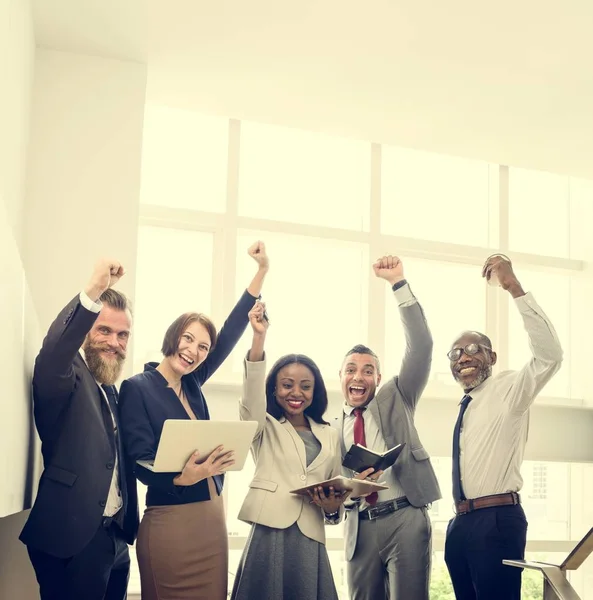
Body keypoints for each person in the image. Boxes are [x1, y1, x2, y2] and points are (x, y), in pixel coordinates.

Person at [118, 241, 269, 600]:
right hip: (171, 524)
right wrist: (183, 477)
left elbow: (231, 332)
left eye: (203, 346)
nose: (193, 350)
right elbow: (139, 460)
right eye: (188, 338)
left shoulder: (193, 384)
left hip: (211, 525)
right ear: (173, 336)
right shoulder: (138, 388)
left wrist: (261, 272)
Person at [444, 255, 563, 600]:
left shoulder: (510, 389)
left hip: (496, 519)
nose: (463, 357)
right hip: (460, 524)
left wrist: (513, 288)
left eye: (471, 350)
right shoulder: (466, 405)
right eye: (455, 354)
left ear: (491, 358)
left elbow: (549, 357)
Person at [20, 259, 139, 600]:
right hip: (72, 538)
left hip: (114, 538)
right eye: (104, 330)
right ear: (86, 330)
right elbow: (56, 348)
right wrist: (92, 292)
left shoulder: (110, 389)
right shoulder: (63, 372)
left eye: (122, 334)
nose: (114, 342)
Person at [336, 254, 441, 600]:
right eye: (351, 369)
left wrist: (398, 283)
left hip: (404, 517)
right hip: (359, 526)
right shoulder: (330, 424)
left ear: (378, 378)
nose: (359, 376)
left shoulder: (397, 395)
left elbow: (422, 347)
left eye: (368, 370)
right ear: (341, 378)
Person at [231, 301, 349, 600]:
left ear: (315, 391)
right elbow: (251, 393)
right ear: (274, 388)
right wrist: (259, 337)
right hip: (270, 532)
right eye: (286, 385)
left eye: (305, 386)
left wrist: (333, 509)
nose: (296, 393)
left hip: (311, 536)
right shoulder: (263, 424)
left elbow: (336, 499)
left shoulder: (330, 435)